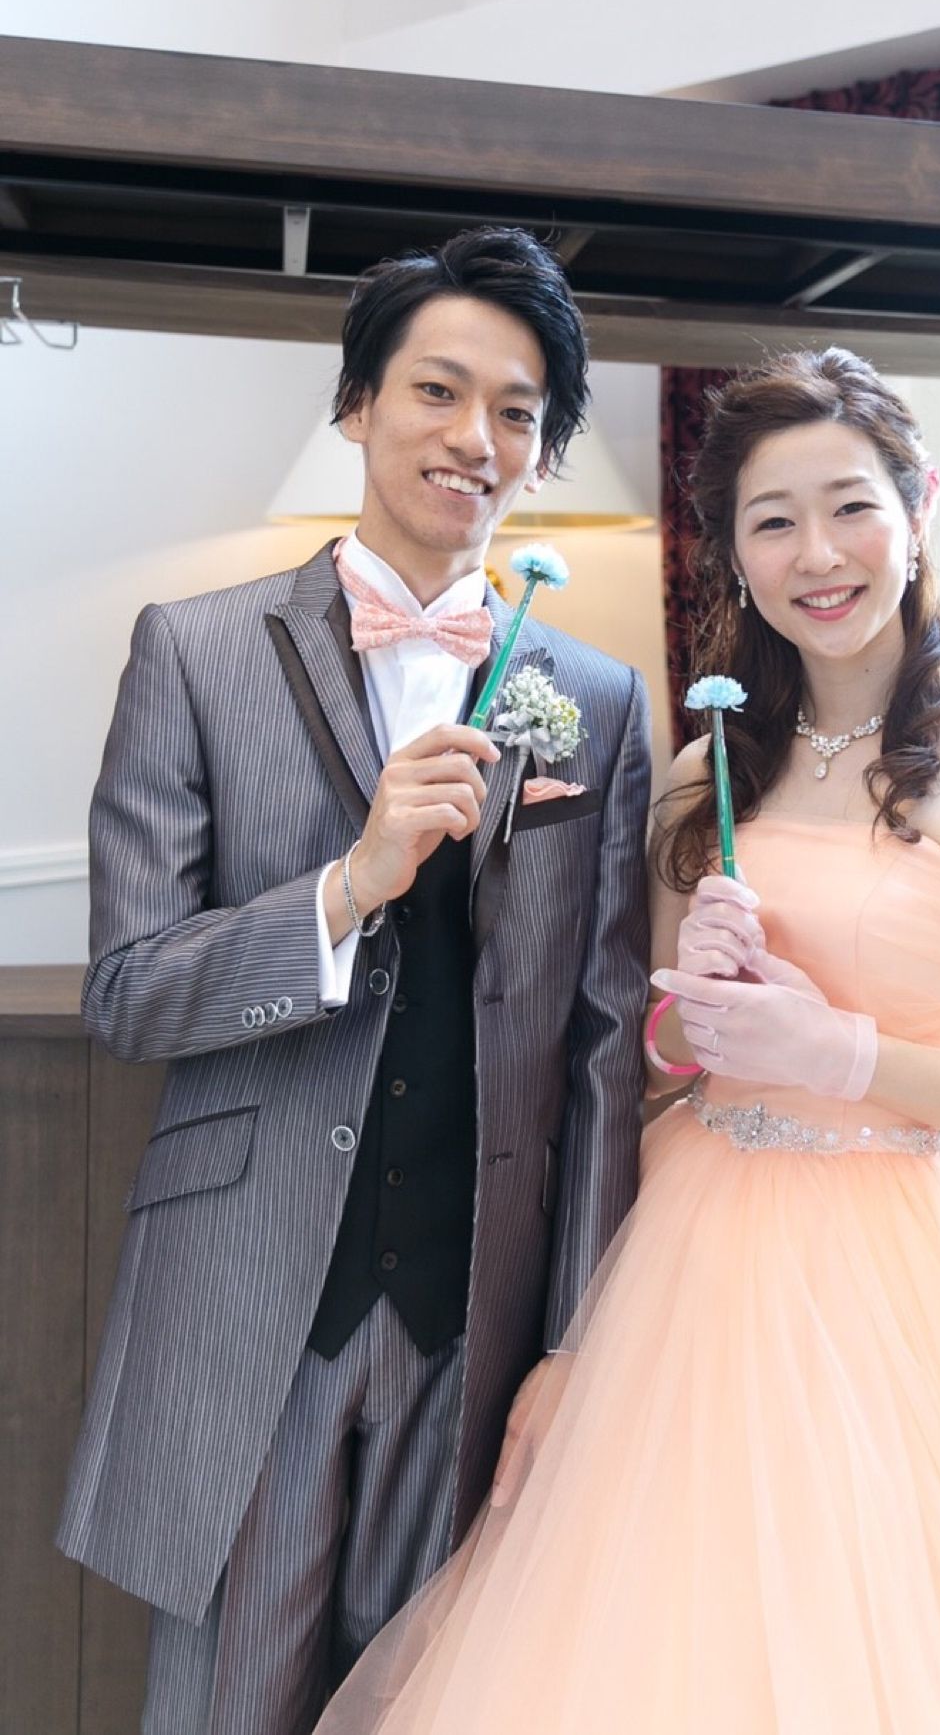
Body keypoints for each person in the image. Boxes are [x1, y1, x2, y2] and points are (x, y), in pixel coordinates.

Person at [317, 348, 940, 1735]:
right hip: (687, 1254)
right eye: (772, 522)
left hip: (896, 1267)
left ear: (918, 505)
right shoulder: (706, 770)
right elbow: (658, 1063)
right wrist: (699, 1008)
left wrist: (842, 1054)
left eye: (849, 508)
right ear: (730, 553)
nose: (817, 556)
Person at [56, 226, 652, 1735]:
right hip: (259, 1292)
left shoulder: (589, 698)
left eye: (515, 412)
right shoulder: (195, 652)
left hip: (479, 1310)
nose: (474, 439)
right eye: (437, 391)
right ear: (356, 405)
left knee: (439, 1702)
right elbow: (128, 991)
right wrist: (349, 883)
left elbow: (597, 1048)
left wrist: (572, 1346)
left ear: (541, 453)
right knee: (233, 1703)